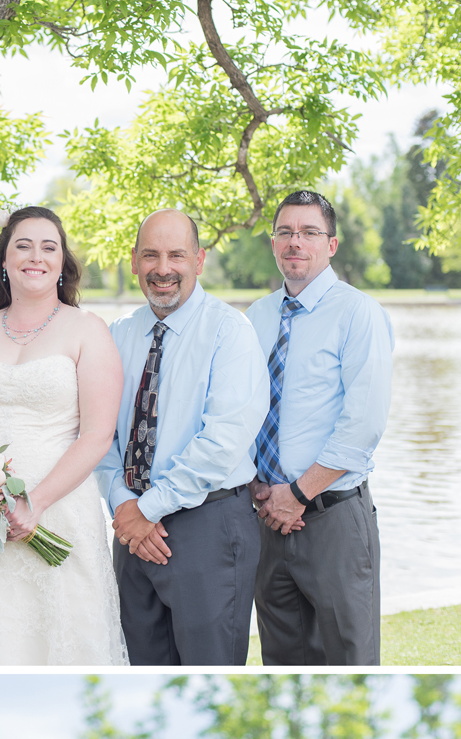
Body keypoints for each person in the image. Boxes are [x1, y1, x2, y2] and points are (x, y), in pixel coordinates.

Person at [0, 205, 125, 664]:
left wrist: (33, 502)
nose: (36, 256)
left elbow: (97, 436)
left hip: (59, 510)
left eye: (48, 247)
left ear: (61, 264)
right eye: (23, 245)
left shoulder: (87, 330)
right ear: (3, 260)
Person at [100, 210, 270, 666]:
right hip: (133, 534)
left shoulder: (230, 332)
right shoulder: (118, 336)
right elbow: (98, 434)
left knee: (208, 680)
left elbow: (222, 442)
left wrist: (146, 511)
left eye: (177, 254)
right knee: (137, 673)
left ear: (199, 259)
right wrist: (123, 505)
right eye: (151, 255)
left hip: (208, 529)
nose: (163, 268)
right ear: (134, 261)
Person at [248, 190, 395, 665]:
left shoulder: (359, 313)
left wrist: (299, 492)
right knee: (282, 665)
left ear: (331, 245)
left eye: (310, 232)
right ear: (273, 243)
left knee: (350, 665)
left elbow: (363, 424)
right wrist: (257, 485)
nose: (296, 242)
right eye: (286, 232)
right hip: (267, 521)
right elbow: (239, 411)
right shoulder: (256, 317)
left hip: (333, 520)